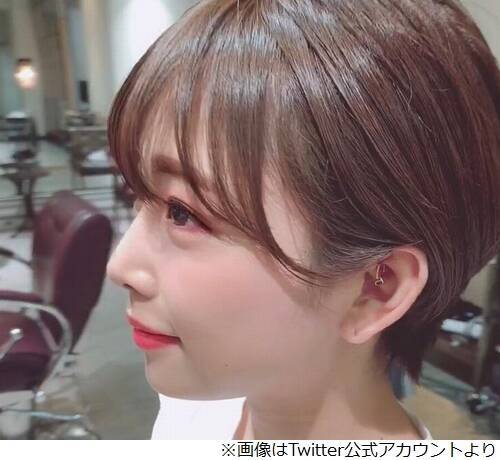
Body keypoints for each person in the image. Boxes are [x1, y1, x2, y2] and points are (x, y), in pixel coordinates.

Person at [105, 0, 500, 440]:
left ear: (376, 288)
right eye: (138, 195)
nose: (119, 266)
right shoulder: (188, 418)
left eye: (183, 213)